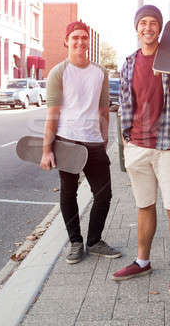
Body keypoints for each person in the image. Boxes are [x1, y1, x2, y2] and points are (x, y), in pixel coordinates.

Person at [111, 5, 170, 296]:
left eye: (153, 23)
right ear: (137, 27)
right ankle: (142, 261)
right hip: (138, 146)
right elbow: (123, 102)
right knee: (144, 205)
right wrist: (126, 139)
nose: (148, 27)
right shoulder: (130, 62)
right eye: (143, 22)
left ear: (160, 28)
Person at [40, 21, 121, 264]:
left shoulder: (100, 72)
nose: (80, 42)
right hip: (68, 142)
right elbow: (52, 114)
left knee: (104, 194)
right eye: (75, 37)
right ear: (66, 40)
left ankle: (94, 241)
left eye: (84, 37)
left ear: (88, 42)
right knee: (68, 193)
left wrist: (105, 139)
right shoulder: (59, 72)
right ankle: (75, 242)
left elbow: (104, 110)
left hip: (94, 141)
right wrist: (47, 150)